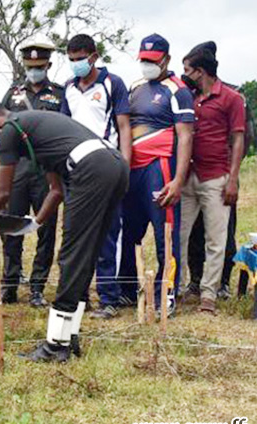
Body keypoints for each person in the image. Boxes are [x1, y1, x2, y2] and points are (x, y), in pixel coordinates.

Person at [0, 95, 129, 362]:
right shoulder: (33, 130)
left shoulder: (8, 129)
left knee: (72, 255)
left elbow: (3, 191)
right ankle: (70, 335)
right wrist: (35, 223)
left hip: (91, 169)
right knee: (86, 254)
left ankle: (56, 346)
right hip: (114, 164)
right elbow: (56, 190)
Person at [118, 34, 194, 316]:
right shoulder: (135, 87)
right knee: (129, 231)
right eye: (143, 60)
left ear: (166, 60)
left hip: (160, 168)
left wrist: (178, 180)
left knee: (165, 233)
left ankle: (167, 293)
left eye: (152, 61)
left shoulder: (178, 90)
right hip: (132, 171)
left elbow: (186, 137)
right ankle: (125, 289)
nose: (147, 65)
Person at [61, 34, 134, 319]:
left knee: (107, 234)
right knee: (76, 234)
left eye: (80, 58)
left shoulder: (112, 83)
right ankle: (79, 297)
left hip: (106, 166)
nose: (76, 64)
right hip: (75, 168)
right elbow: (64, 126)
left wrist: (125, 165)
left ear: (93, 56)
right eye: (71, 59)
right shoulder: (68, 88)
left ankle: (109, 298)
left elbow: (124, 126)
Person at [186, 41, 255, 300]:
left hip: (221, 173)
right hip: (193, 174)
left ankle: (221, 282)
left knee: (222, 233)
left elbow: (244, 137)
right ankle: (194, 280)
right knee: (193, 234)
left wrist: (232, 176)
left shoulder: (234, 95)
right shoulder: (190, 96)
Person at [0, 43, 62, 306]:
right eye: (30, 67)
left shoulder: (59, 94)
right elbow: (1, 129)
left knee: (45, 229)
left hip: (47, 170)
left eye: (39, 67)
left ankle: (37, 288)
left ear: (47, 65)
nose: (34, 71)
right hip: (18, 168)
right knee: (12, 226)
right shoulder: (12, 94)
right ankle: (10, 284)